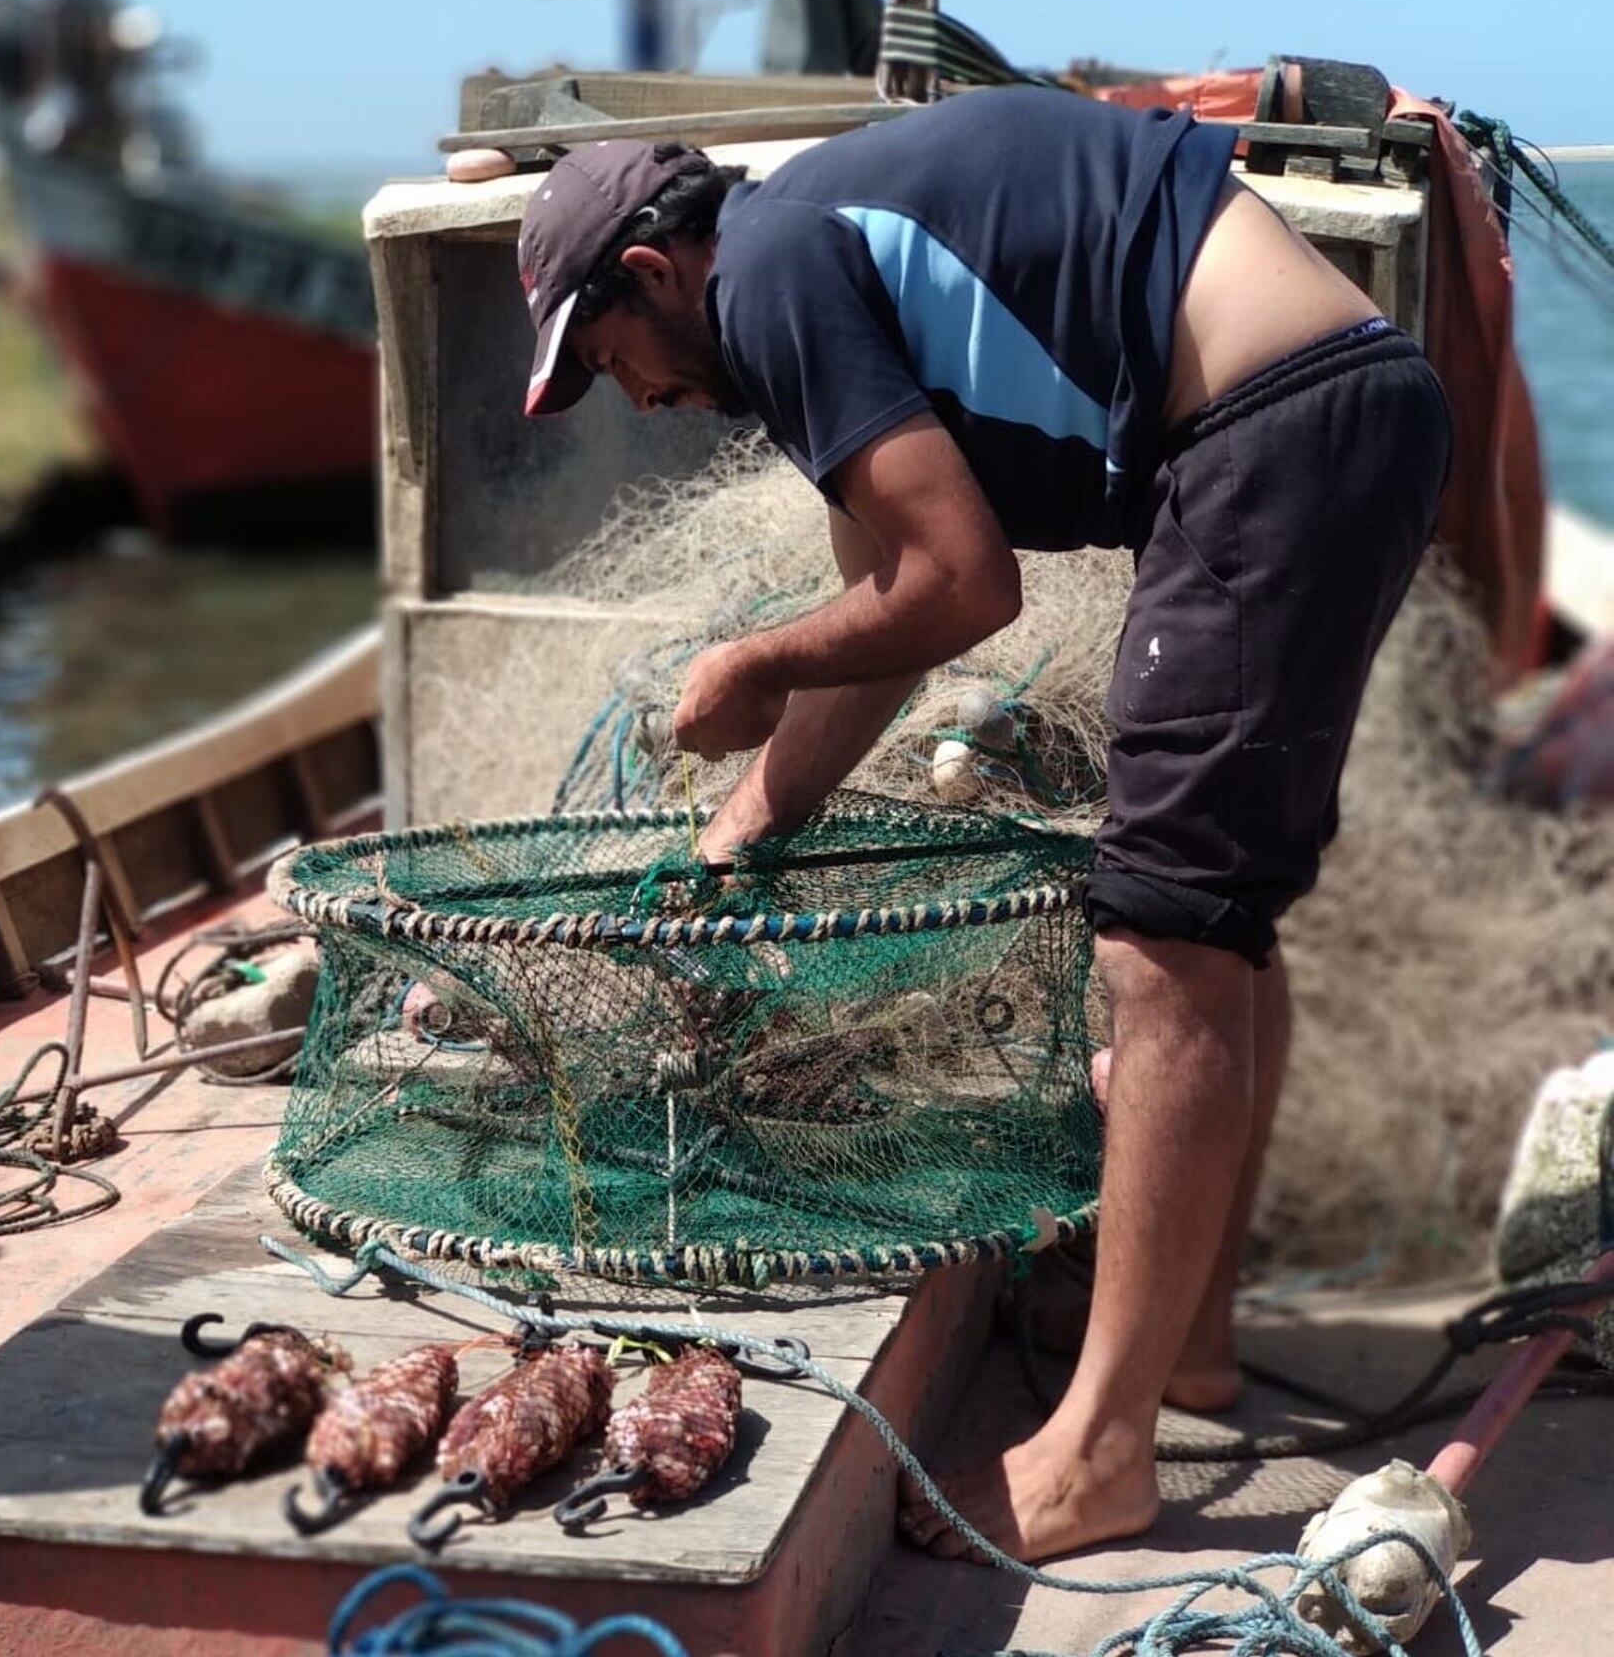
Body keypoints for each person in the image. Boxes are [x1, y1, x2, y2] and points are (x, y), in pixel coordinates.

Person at [513, 88, 1451, 1564]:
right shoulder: (811, 259)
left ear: (648, 272)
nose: (629, 398)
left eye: (608, 358)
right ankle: (1189, 1347)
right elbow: (895, 622)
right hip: (1320, 420)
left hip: (1277, 429)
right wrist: (746, 820)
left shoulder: (767, 277)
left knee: (1162, 942)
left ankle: (1103, 1451)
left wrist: (751, 664)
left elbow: (968, 586)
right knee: (1210, 924)